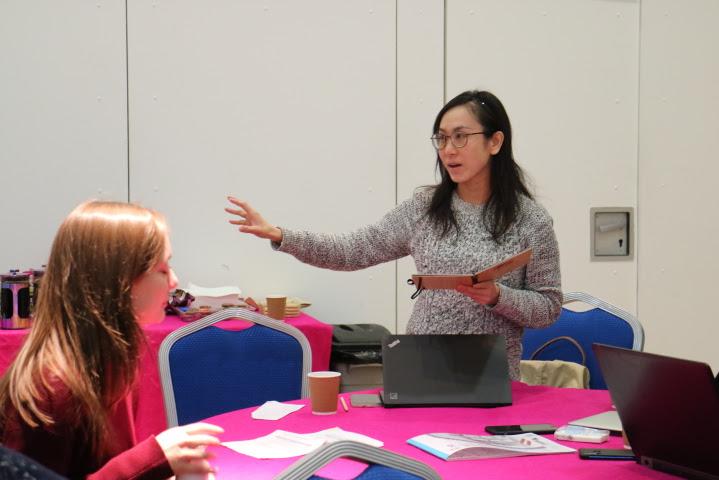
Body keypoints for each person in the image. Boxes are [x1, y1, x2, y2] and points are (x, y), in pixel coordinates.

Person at [225, 90, 562, 379]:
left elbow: (548, 307)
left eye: (461, 136)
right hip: (423, 367)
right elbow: (354, 250)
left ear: (495, 141)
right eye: (441, 138)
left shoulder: (530, 220)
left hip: (493, 375)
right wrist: (282, 235)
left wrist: (497, 296)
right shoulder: (424, 208)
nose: (448, 149)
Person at [0, 201, 223, 479]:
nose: (174, 280)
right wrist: (153, 459)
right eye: (162, 270)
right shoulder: (52, 388)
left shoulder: (112, 360)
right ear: (120, 282)